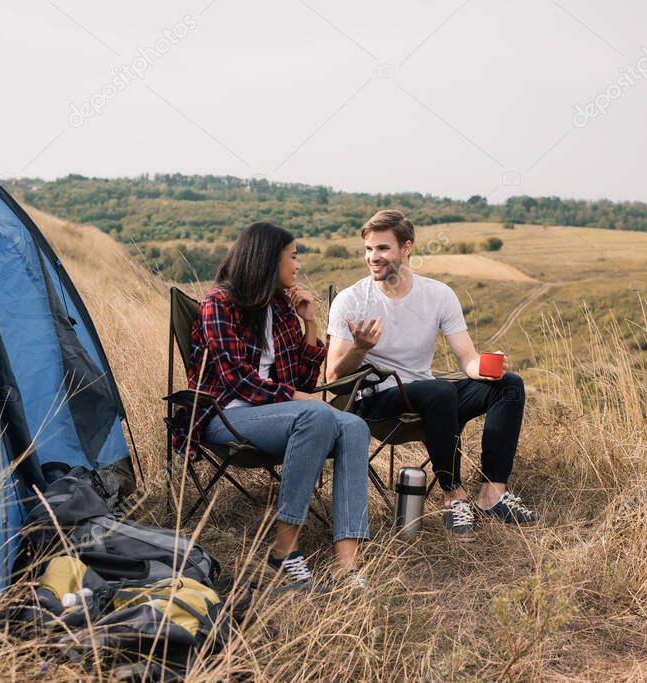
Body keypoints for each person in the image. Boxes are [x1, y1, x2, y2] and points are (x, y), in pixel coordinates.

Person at [170, 222, 370, 585]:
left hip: (280, 416)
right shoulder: (218, 304)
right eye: (292, 257)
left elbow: (305, 382)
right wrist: (302, 399)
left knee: (354, 425)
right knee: (314, 413)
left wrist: (309, 320)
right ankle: (283, 551)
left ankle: (346, 563)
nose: (297, 266)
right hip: (225, 416)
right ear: (266, 260)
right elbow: (238, 381)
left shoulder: (280, 308)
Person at [326, 209, 539, 538]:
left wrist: (485, 366)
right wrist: (360, 348)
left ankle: (492, 494)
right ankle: (455, 496)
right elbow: (333, 376)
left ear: (406, 248)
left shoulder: (438, 295)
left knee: (509, 386)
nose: (373, 257)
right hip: (376, 401)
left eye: (382, 248)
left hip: (429, 396)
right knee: (438, 391)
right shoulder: (351, 300)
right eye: (368, 249)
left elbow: (466, 358)